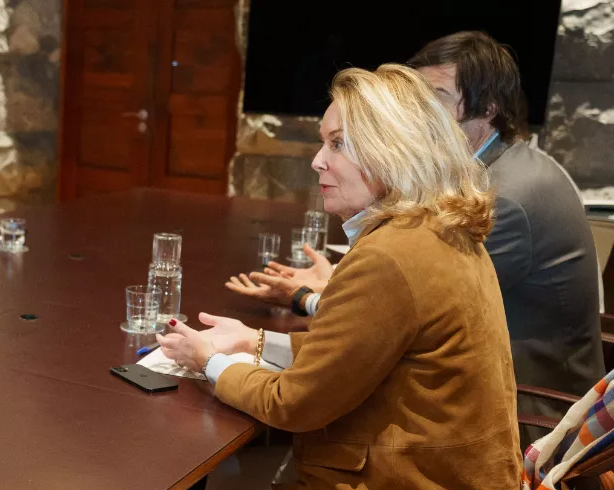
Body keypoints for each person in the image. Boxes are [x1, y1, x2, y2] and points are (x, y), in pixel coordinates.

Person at [161, 65, 520, 490]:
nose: (317, 162)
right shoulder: (437, 231)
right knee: (228, 475)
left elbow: (295, 406)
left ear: (390, 150)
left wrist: (214, 362)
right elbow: (358, 352)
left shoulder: (390, 256)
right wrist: (257, 340)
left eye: (336, 145)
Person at [229, 31, 604, 419]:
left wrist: (307, 296)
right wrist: (338, 280)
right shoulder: (496, 168)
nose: (417, 112)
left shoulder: (500, 197)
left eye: (435, 97)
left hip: (527, 410)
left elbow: (395, 315)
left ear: (488, 108)